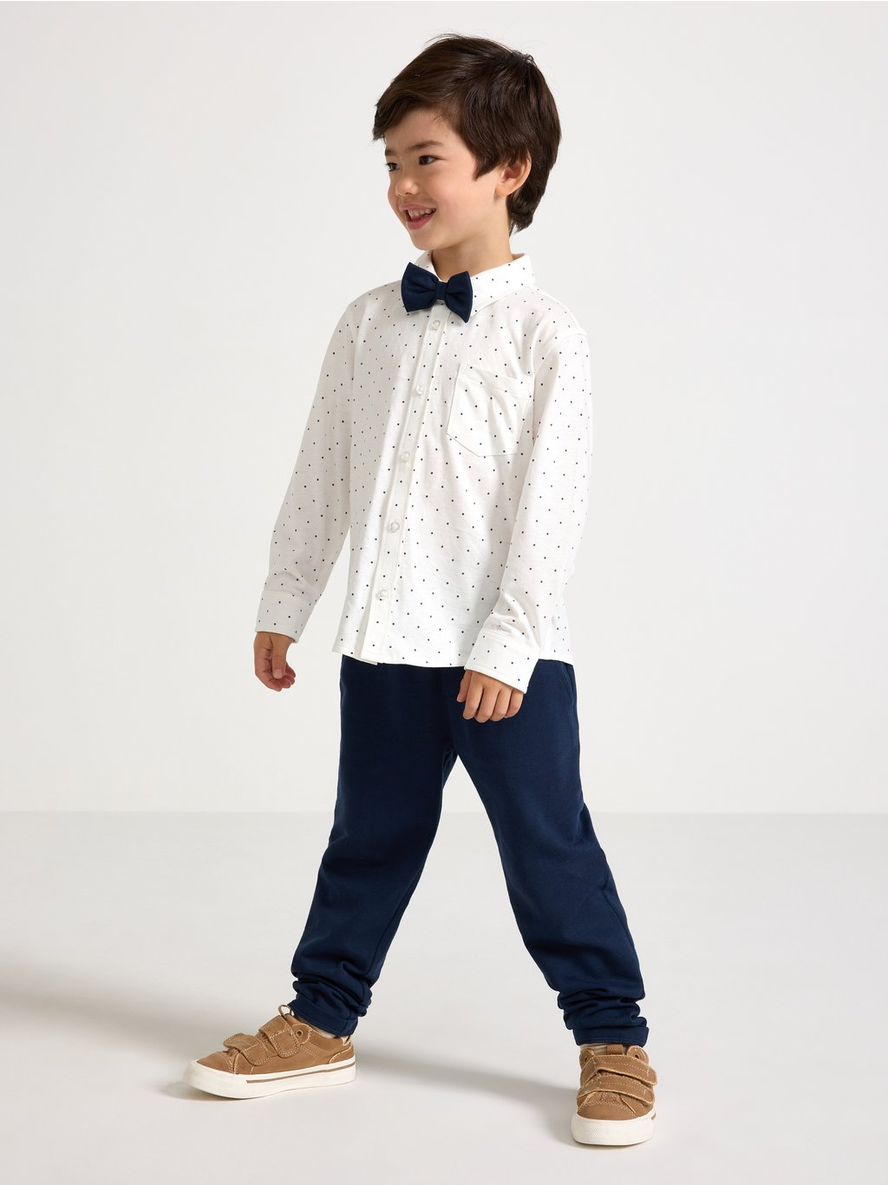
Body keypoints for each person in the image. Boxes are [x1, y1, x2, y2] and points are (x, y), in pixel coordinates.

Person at [182, 33, 658, 1146]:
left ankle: (613, 1036)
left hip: (505, 655)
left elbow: (550, 506)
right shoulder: (368, 322)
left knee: (547, 845)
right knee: (369, 836)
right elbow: (322, 470)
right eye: (391, 162)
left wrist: (508, 642)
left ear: (509, 168)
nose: (403, 185)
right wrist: (286, 599)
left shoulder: (547, 336)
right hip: (385, 638)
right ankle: (320, 1017)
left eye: (427, 158)